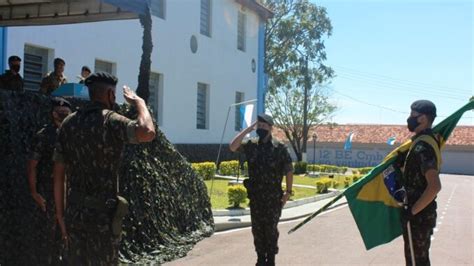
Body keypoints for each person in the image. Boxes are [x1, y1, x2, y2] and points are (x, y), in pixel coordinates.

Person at [52, 72, 155, 265]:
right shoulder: (111, 120)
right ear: (110, 95)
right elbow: (147, 132)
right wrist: (139, 103)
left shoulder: (67, 123)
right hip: (102, 218)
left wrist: (60, 215)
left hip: (74, 214)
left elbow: (58, 176)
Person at [230, 114, 293, 266]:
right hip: (256, 198)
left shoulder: (279, 147)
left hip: (273, 199)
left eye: (265, 126)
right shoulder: (251, 145)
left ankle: (270, 259)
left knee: (271, 230)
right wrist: (247, 130)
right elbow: (232, 146)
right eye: (259, 126)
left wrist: (288, 193)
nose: (261, 129)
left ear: (271, 128)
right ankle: (260, 259)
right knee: (257, 230)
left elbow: (289, 171)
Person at [27, 97, 72, 265]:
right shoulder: (44, 135)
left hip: (69, 193)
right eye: (61, 113)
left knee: (66, 236)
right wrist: (35, 193)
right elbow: (32, 166)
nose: (64, 116)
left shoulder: (72, 134)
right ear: (53, 114)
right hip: (48, 193)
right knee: (47, 237)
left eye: (67, 113)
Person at [400, 100, 442, 266]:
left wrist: (412, 211)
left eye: (412, 115)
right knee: (416, 260)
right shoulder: (423, 141)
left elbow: (434, 186)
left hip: (419, 216)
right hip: (419, 214)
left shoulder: (423, 146)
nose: (409, 119)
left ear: (423, 118)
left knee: (417, 262)